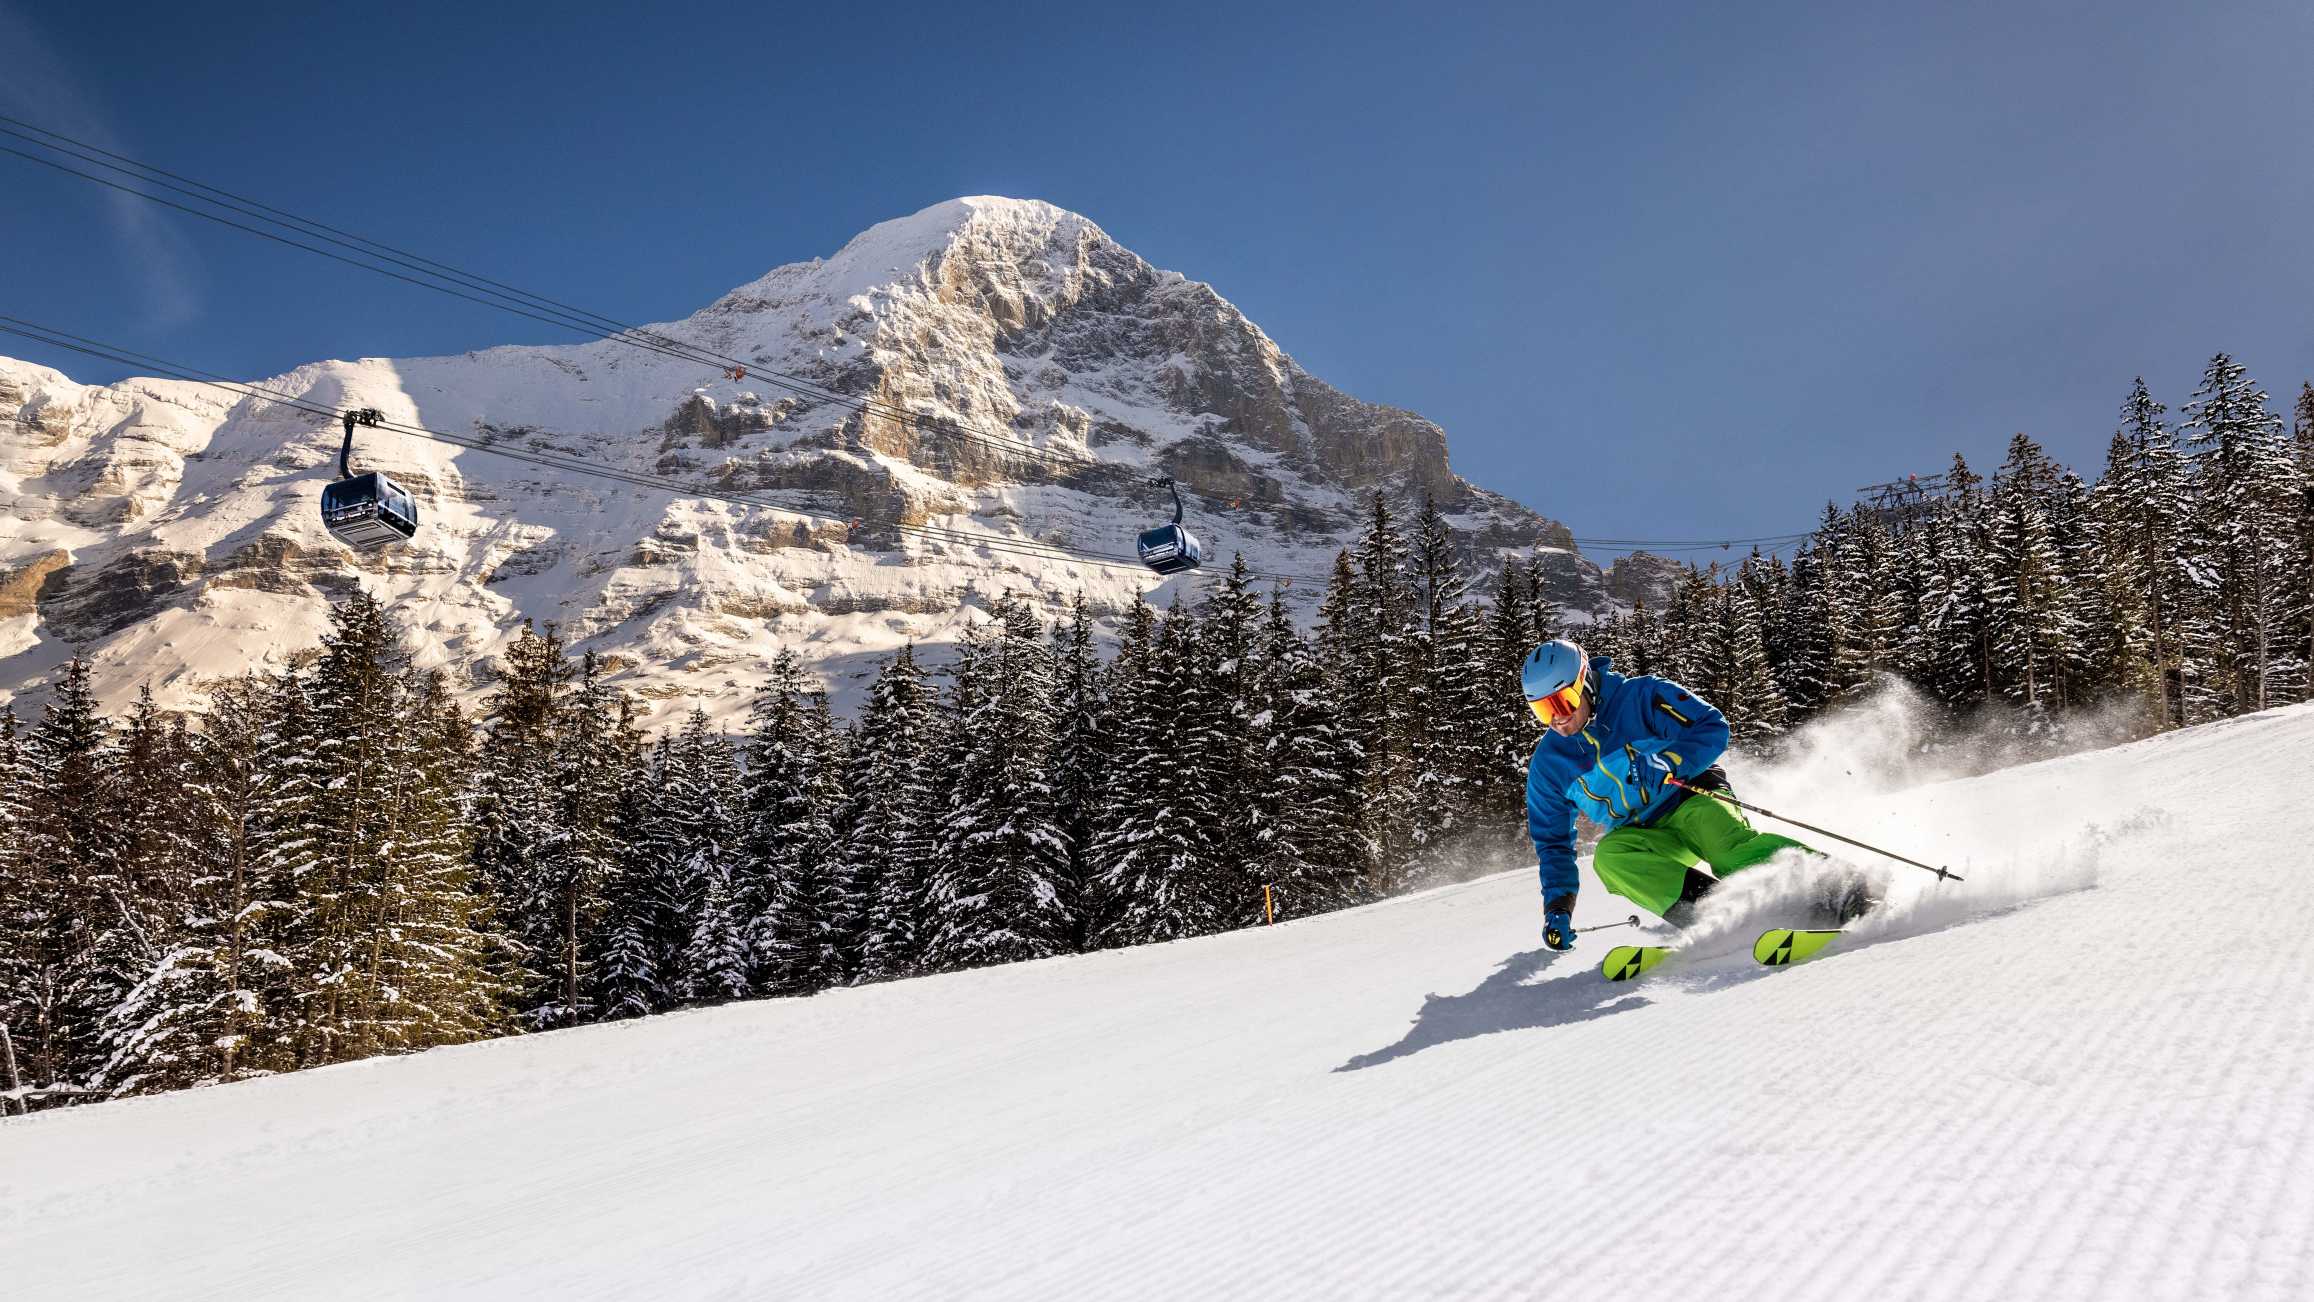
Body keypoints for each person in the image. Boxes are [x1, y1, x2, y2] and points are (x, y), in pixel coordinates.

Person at [1521, 638, 1814, 951]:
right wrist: (1558, 908)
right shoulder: (1550, 765)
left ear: (1585, 683)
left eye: (1562, 702)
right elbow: (1553, 843)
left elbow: (1711, 725)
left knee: (1726, 851)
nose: (1557, 718)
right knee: (1610, 859)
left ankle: (1830, 888)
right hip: (1643, 833)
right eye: (1543, 710)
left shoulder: (1640, 697)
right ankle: (1720, 917)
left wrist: (1670, 759)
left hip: (1691, 796)